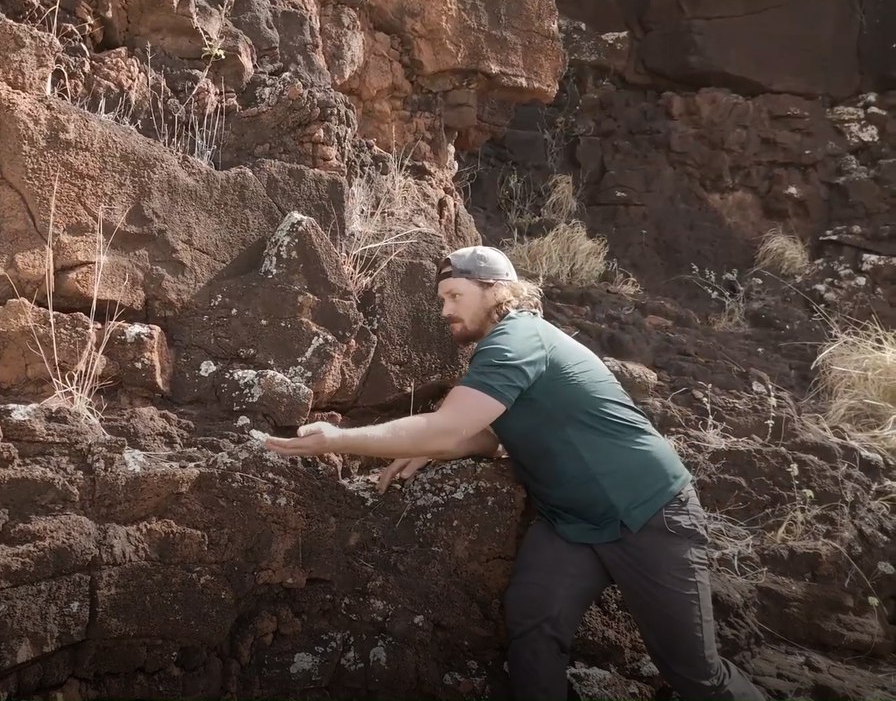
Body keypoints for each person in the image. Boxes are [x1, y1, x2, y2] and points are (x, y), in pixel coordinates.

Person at [263, 246, 767, 701]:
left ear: (497, 291)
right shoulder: (499, 349)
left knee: (694, 676)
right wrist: (445, 449)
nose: (445, 311)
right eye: (442, 299)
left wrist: (342, 439)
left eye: (455, 295)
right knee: (532, 633)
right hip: (569, 523)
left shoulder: (517, 338)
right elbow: (484, 431)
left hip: (649, 512)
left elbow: (449, 425)